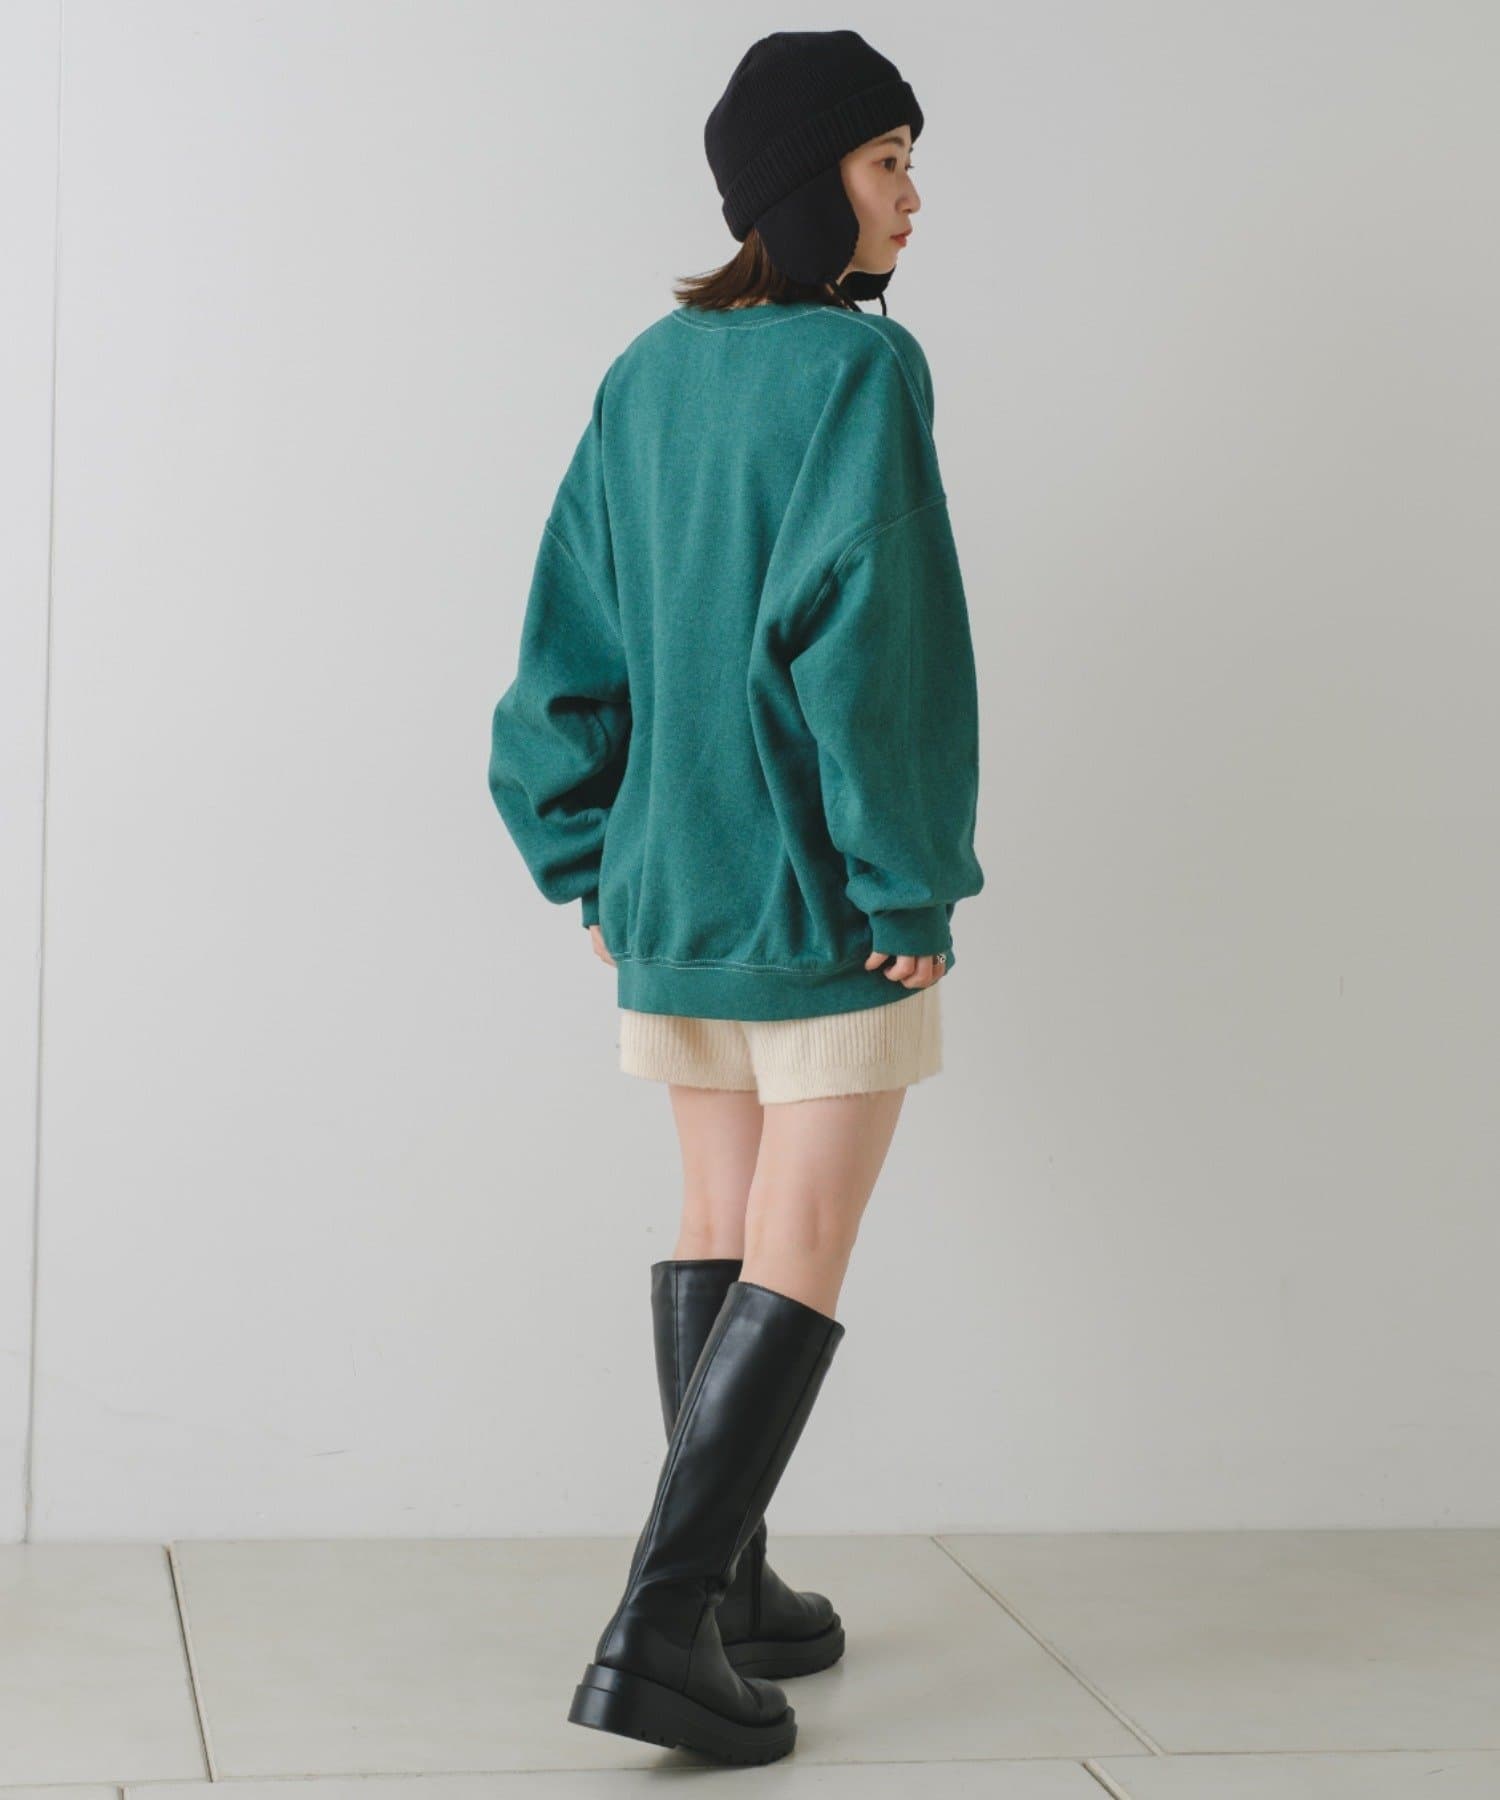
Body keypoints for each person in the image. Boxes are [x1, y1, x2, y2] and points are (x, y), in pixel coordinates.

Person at [487, 30, 984, 1767]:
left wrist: (581, 846)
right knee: (807, 1233)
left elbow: (571, 633)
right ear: (803, 180)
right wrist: (905, 876)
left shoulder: (644, 372)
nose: (914, 197)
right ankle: (661, 1621)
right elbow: (876, 638)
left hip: (668, 892)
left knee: (718, 1207)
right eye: (886, 160)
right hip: (821, 897)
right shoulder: (860, 370)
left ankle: (738, 1591)